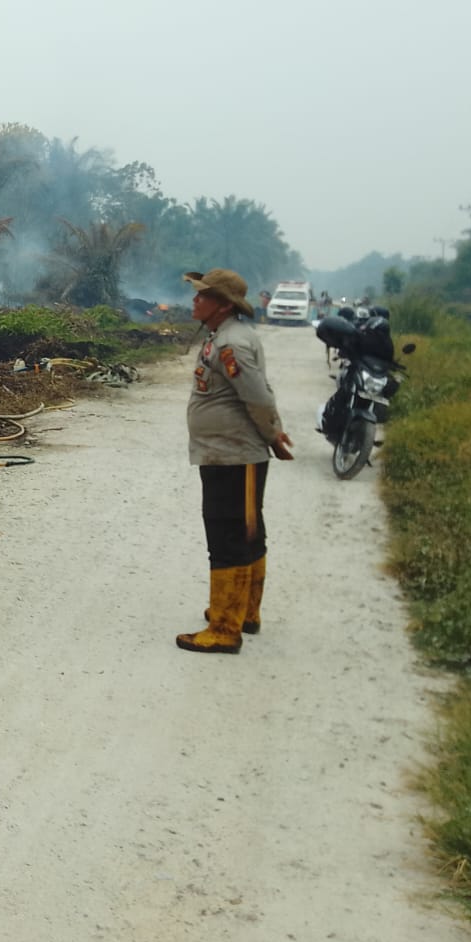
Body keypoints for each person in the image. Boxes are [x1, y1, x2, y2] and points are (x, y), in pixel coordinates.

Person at [177, 268, 295, 655]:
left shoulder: (232, 344)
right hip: (223, 453)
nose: (195, 300)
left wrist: (272, 434)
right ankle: (244, 611)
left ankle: (226, 628)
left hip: (234, 455)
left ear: (223, 305)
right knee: (243, 531)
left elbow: (258, 397)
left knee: (229, 535)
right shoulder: (221, 336)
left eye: (202, 296)